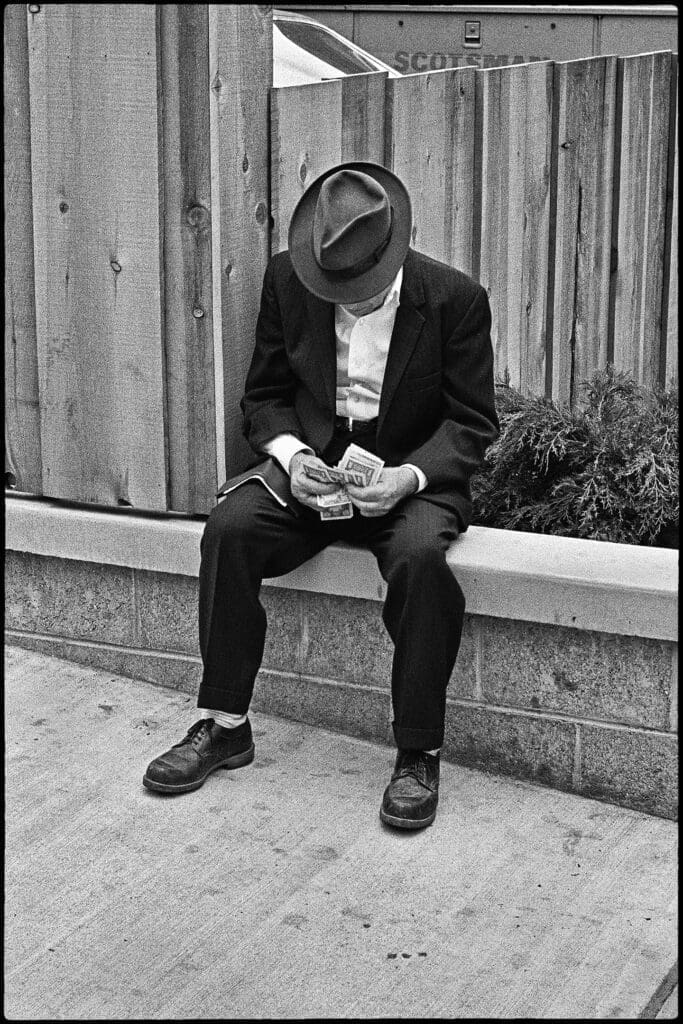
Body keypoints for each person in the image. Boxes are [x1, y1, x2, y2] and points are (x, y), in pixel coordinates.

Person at [143, 162, 499, 830]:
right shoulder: (287, 278)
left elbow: (472, 423)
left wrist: (408, 477)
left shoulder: (455, 299)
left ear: (391, 256)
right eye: (334, 285)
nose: (345, 298)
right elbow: (266, 395)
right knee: (230, 528)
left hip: (410, 474)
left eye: (359, 288)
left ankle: (417, 752)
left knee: (421, 560)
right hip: (313, 468)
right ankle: (225, 724)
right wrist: (293, 455)